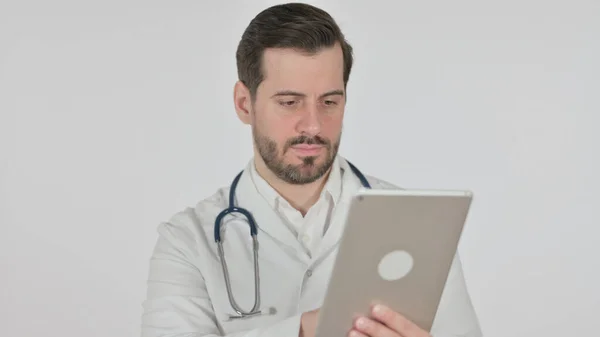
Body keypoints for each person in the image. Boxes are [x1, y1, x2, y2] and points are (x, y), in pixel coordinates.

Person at [141, 3, 483, 337]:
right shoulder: (187, 242)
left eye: (329, 102)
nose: (313, 124)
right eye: (290, 102)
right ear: (245, 104)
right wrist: (303, 330)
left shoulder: (420, 224)